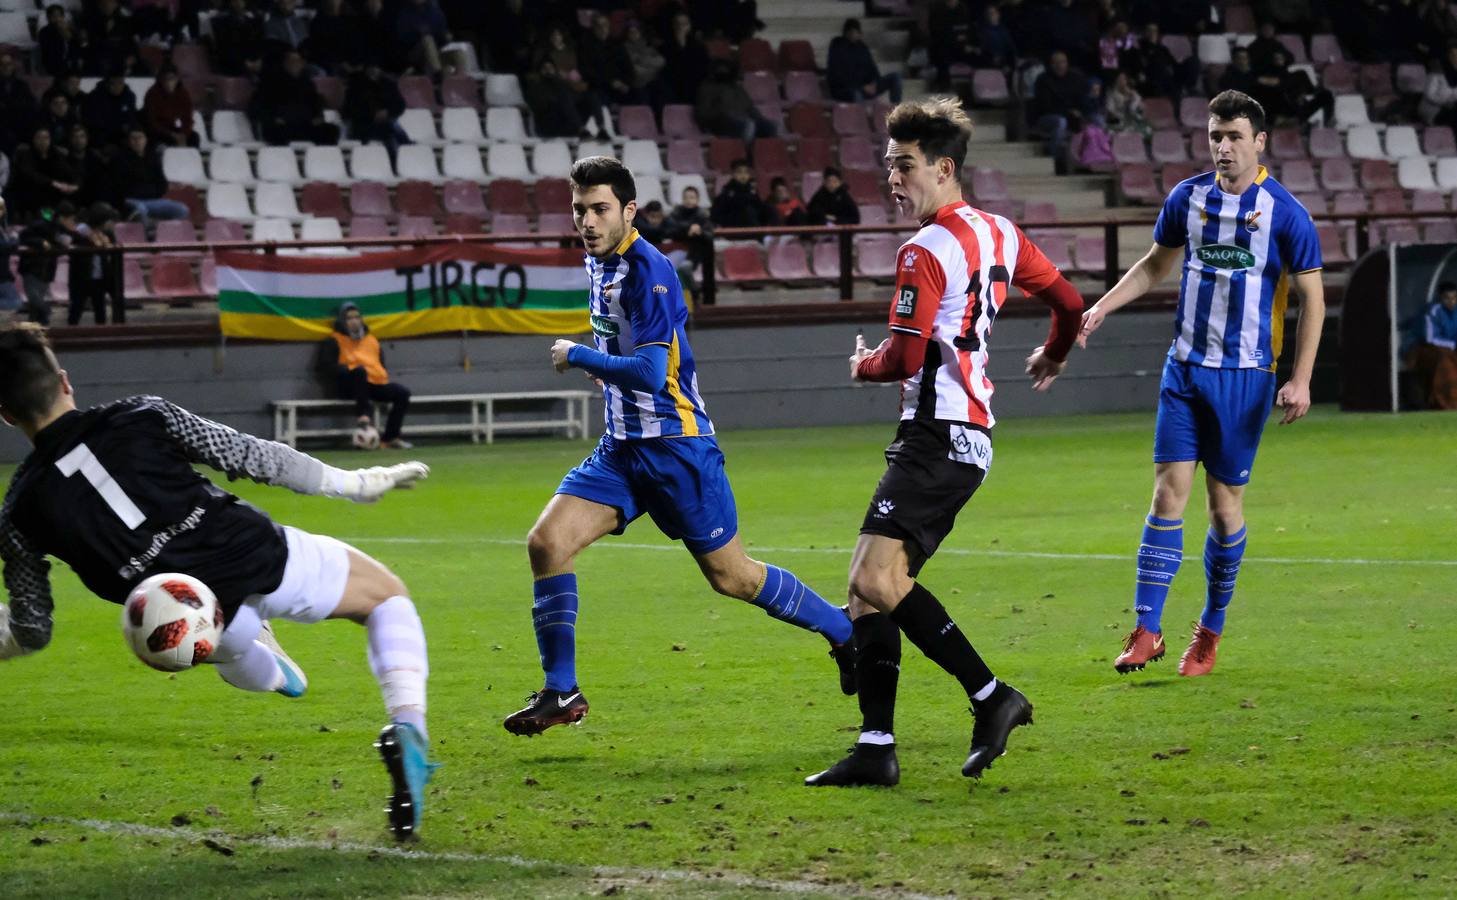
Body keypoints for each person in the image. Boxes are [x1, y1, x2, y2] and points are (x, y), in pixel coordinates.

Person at [0, 323, 437, 841]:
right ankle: (409, 726)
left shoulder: (19, 510)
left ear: (5, 414)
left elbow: (32, 626)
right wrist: (355, 483)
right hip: (255, 552)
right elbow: (254, 457)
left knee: (226, 644)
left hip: (185, 615)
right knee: (386, 598)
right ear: (65, 381)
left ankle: (267, 668)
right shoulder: (144, 414)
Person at [502, 156, 855, 736]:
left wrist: (580, 356)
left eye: (599, 210)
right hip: (621, 449)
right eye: (579, 210)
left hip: (676, 449)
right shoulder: (601, 263)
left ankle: (845, 632)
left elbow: (646, 370)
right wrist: (607, 367)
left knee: (733, 577)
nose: (587, 221)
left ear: (629, 210)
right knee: (546, 544)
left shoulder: (650, 270)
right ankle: (561, 691)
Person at [804, 97, 1083, 788]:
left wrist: (860, 365)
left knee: (874, 580)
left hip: (938, 435)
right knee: (867, 592)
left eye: (904, 167)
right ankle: (875, 747)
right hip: (966, 435)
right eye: (887, 166)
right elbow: (1070, 303)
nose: (892, 180)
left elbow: (901, 359)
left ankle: (992, 697)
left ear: (943, 167)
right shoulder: (999, 232)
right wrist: (1054, 353)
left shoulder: (923, 249)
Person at [1078, 90, 1325, 678]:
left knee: (1222, 505)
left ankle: (1210, 630)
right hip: (1184, 370)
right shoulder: (1187, 198)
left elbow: (1313, 299)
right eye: (1216, 135)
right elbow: (1154, 266)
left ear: (1259, 142)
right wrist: (1103, 307)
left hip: (1245, 378)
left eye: (1235, 136)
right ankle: (1147, 628)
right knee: (1167, 493)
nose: (1223, 146)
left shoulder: (1285, 213)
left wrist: (1302, 380)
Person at [321, 302, 413, 450]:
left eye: (357, 317)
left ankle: (390, 438)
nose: (354, 321)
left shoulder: (371, 340)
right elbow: (326, 367)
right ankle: (363, 415)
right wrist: (347, 370)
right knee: (359, 372)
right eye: (349, 318)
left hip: (373, 385)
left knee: (402, 393)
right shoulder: (333, 340)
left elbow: (380, 364)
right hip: (348, 386)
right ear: (342, 321)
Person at [251, 50, 340, 146]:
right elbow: (258, 107)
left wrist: (318, 117)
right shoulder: (270, 82)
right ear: (285, 63)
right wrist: (272, 118)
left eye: (299, 61)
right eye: (292, 61)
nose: (296, 64)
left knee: (331, 130)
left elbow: (316, 103)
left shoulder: (307, 83)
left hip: (306, 126)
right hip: (283, 126)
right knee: (274, 132)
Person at [109, 128, 190, 232]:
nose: (137, 141)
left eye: (140, 138)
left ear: (145, 140)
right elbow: (121, 187)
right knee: (139, 209)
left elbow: (161, 183)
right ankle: (148, 236)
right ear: (128, 141)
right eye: (133, 138)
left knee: (181, 209)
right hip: (132, 200)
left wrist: (153, 192)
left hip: (153, 200)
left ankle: (166, 234)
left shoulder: (153, 157)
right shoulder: (120, 159)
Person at [1030, 50, 1092, 174]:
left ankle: (1091, 161)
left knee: (1097, 120)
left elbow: (1083, 100)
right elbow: (1045, 106)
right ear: (1051, 64)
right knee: (1061, 122)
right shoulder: (1043, 80)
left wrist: (1082, 112)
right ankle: (1056, 161)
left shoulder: (1075, 78)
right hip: (1046, 118)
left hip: (1073, 117)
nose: (1060, 65)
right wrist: (1069, 112)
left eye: (1063, 62)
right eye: (1057, 63)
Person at [695, 58, 776, 144]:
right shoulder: (707, 87)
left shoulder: (736, 88)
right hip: (719, 123)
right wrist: (722, 112)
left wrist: (760, 119)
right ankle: (747, 155)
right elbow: (702, 114)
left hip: (740, 120)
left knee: (770, 126)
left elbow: (749, 107)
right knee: (749, 125)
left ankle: (768, 155)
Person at [827, 18, 903, 104]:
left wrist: (874, 83)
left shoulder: (862, 48)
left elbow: (872, 69)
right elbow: (839, 76)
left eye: (857, 33)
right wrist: (861, 87)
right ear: (847, 33)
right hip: (845, 89)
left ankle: (897, 111)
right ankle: (860, 116)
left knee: (895, 77)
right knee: (856, 94)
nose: (856, 35)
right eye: (852, 32)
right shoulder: (837, 47)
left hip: (866, 87)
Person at [66, 201, 118, 326]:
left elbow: (112, 247)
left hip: (100, 277)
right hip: (82, 277)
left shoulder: (107, 233)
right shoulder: (80, 231)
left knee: (100, 311)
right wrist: (93, 241)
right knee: (76, 309)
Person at [343, 64, 408, 160]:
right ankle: (404, 148)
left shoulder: (388, 84)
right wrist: (372, 115)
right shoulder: (356, 86)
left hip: (385, 123)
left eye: (376, 67)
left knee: (392, 126)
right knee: (391, 130)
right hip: (363, 126)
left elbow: (400, 105)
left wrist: (387, 112)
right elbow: (349, 110)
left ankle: (405, 151)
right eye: (371, 67)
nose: (374, 70)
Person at [1409, 281, 1457, 409]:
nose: (1451, 302)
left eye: (1454, 298)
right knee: (1445, 365)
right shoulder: (1432, 311)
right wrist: (1453, 344)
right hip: (1426, 348)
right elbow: (1429, 338)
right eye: (1447, 298)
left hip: (1450, 349)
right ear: (1440, 298)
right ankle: (1446, 403)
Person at [142, 64, 199, 148]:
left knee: (194, 137)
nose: (169, 83)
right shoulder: (152, 94)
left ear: (177, 79)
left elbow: (188, 118)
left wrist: (184, 134)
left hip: (173, 128)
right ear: (160, 80)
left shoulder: (183, 94)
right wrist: (172, 134)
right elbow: (152, 122)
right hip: (157, 130)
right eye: (166, 79)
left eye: (172, 79)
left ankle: (191, 159)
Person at [710, 158, 772, 228]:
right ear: (733, 174)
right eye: (739, 172)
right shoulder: (727, 192)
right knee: (747, 210)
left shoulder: (752, 191)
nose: (743, 176)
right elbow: (716, 216)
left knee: (770, 208)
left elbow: (760, 209)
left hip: (753, 225)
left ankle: (777, 234)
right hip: (734, 228)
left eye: (746, 172)